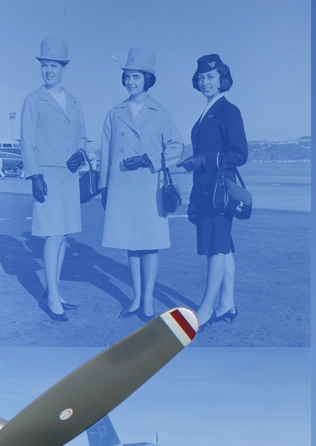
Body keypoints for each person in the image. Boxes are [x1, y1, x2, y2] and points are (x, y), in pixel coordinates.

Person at [99, 49, 180, 320]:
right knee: (129, 242)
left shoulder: (161, 113)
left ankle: (147, 301)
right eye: (128, 76)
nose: (131, 82)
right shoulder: (114, 113)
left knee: (150, 242)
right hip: (121, 185)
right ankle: (135, 297)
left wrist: (149, 159)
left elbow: (176, 147)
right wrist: (104, 187)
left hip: (149, 185)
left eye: (136, 77)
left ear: (148, 79)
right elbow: (106, 152)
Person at [20, 37, 92, 321]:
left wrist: (81, 153)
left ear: (63, 68)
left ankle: (54, 290)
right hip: (46, 176)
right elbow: (27, 141)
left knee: (62, 235)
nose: (48, 70)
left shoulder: (74, 101)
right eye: (45, 65)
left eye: (54, 66)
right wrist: (35, 176)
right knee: (52, 234)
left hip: (69, 176)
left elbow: (82, 137)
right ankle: (51, 297)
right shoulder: (33, 99)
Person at [179, 55, 247, 327]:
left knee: (215, 248)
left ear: (222, 79)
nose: (205, 82)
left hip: (220, 190)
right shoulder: (209, 110)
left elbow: (240, 154)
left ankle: (205, 309)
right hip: (206, 188)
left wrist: (204, 160)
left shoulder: (228, 110)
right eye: (201, 77)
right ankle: (227, 304)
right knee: (223, 245)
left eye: (211, 77)